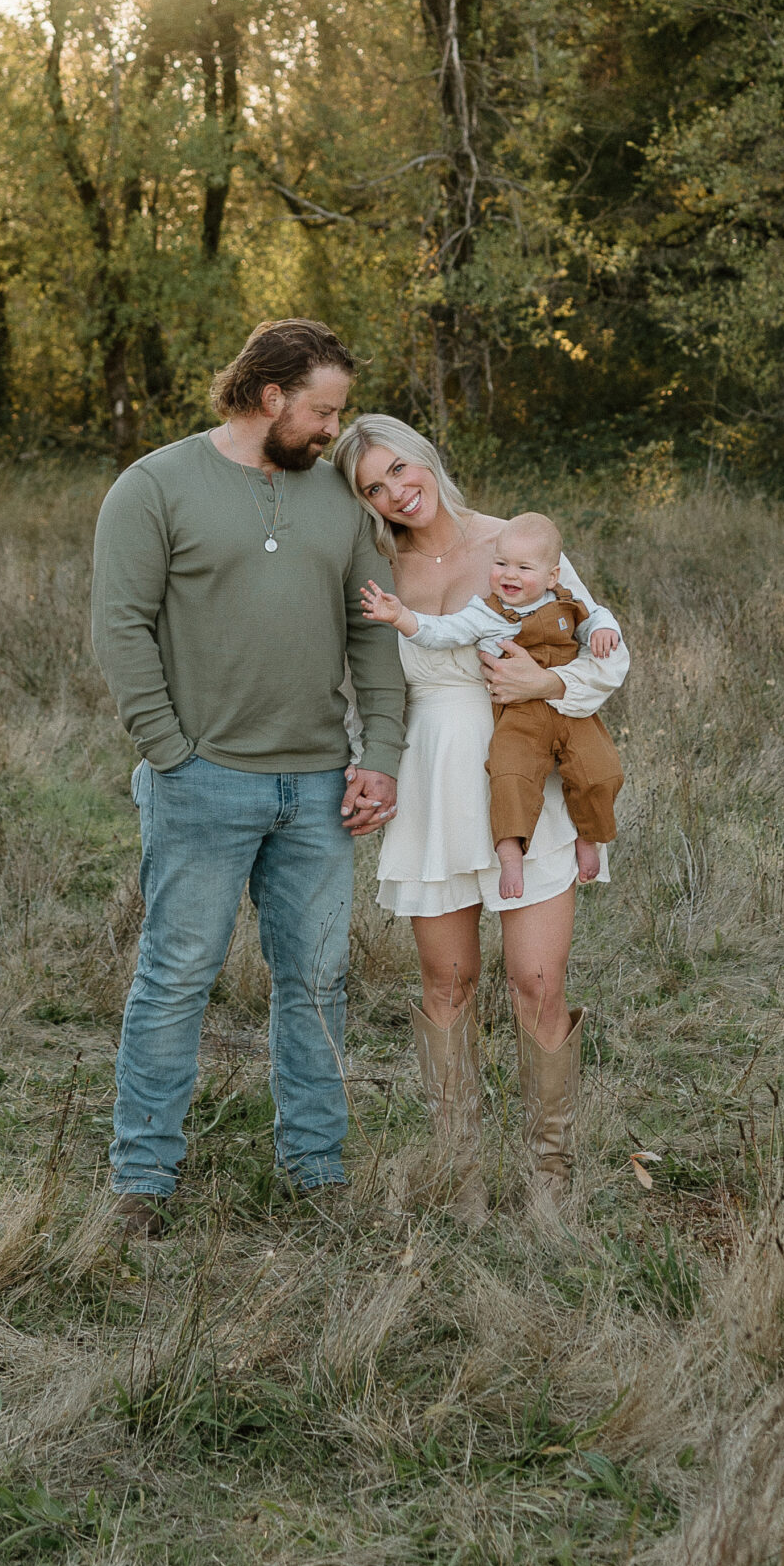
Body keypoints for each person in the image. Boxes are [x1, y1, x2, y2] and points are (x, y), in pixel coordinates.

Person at [90, 319, 405, 1234]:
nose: (332, 431)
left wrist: (376, 756)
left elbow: (370, 636)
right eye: (321, 411)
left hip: (317, 786)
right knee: (175, 976)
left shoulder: (338, 500)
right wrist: (166, 749)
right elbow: (121, 627)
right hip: (201, 781)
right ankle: (142, 1181)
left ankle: (315, 1169)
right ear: (270, 398)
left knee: (316, 984)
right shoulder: (153, 487)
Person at [331, 416, 629, 1222]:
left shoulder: (516, 541)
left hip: (520, 770)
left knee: (535, 979)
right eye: (374, 486)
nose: (397, 490)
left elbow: (603, 653)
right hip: (428, 780)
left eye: (400, 468)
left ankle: (548, 1179)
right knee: (445, 981)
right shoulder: (372, 568)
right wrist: (370, 766)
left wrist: (545, 689)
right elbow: (365, 684)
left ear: (424, 456)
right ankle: (458, 1170)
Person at [359, 509, 624, 901]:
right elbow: (440, 632)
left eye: (523, 568)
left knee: (599, 771)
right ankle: (511, 851)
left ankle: (589, 835)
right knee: (510, 777)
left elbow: (596, 618)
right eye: (500, 564)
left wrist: (604, 628)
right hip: (519, 716)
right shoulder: (485, 612)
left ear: (552, 576)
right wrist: (402, 617)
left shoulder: (565, 601)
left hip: (568, 711)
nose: (510, 575)